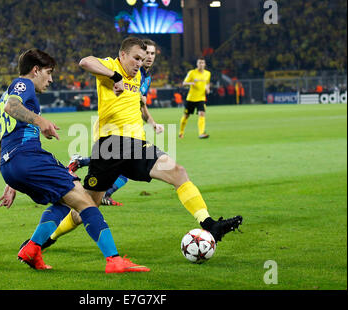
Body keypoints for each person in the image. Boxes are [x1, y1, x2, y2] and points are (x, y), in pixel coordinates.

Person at [27, 37, 242, 252]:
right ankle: (47, 238)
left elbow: (137, 100)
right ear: (122, 55)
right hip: (109, 146)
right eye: (136, 58)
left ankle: (210, 225)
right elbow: (84, 62)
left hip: (136, 145)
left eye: (143, 58)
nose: (139, 62)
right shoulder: (110, 66)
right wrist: (114, 75)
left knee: (178, 172)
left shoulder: (138, 76)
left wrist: (150, 119)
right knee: (86, 206)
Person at [0, 48, 149, 273]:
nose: (51, 79)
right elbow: (12, 107)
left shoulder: (3, 98)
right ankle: (114, 260)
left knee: (63, 200)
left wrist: (11, 180)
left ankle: (32, 249)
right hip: (29, 158)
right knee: (84, 200)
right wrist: (40, 121)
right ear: (35, 70)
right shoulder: (21, 86)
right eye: (48, 72)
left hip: (11, 166)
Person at [66, 39, 163, 208]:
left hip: (132, 132)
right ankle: (72, 196)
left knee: (123, 168)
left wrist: (152, 123)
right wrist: (115, 77)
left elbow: (139, 104)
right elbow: (86, 62)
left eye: (152, 54)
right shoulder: (118, 68)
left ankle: (84, 167)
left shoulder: (143, 77)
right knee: (119, 171)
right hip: (112, 130)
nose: (148, 58)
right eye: (145, 54)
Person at [179, 58, 211, 139]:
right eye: (199, 63)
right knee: (186, 116)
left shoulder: (208, 73)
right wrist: (191, 83)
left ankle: (201, 133)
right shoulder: (192, 73)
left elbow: (207, 83)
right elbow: (184, 83)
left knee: (202, 113)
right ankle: (181, 132)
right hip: (191, 98)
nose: (201, 64)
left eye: (202, 63)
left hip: (201, 98)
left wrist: (208, 88)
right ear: (197, 64)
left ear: (205, 64)